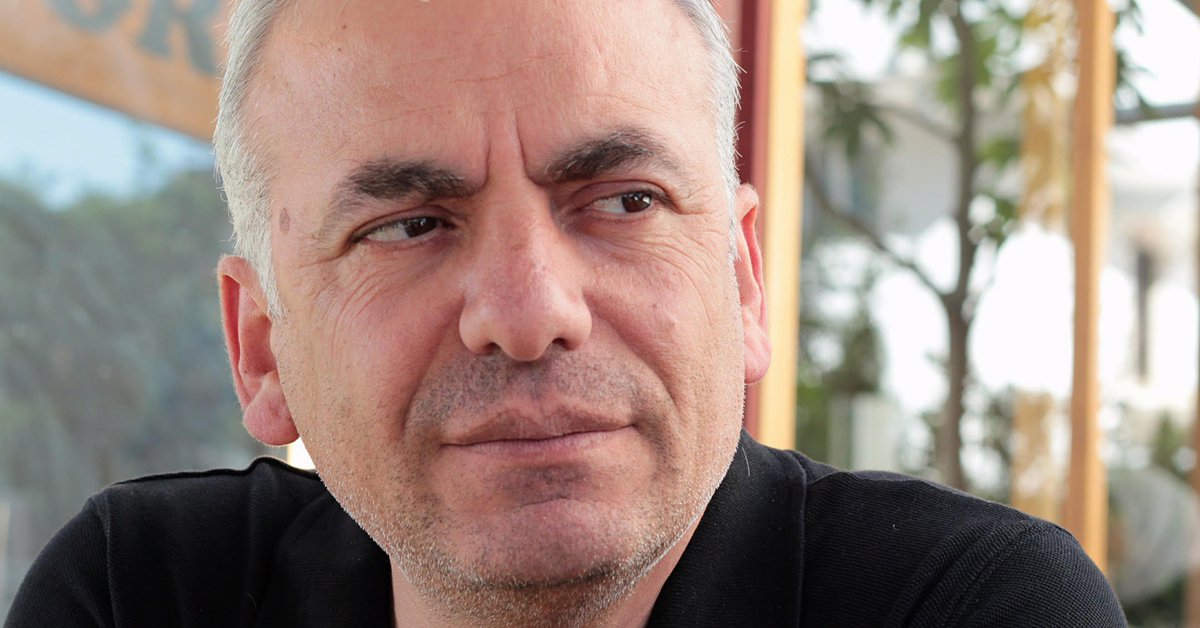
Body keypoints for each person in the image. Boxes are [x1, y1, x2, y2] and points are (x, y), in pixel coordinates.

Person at [7, 1, 1126, 626]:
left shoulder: (966, 608)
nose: (530, 313)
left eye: (625, 201)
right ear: (261, 351)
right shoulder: (143, 596)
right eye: (409, 225)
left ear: (742, 279)